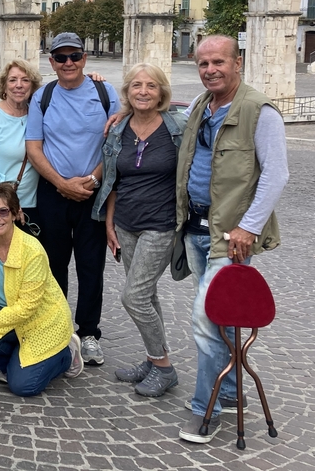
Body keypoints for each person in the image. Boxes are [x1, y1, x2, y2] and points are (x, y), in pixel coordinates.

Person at [176, 35, 288, 444]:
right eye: (203, 64)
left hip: (231, 236)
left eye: (219, 62)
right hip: (196, 229)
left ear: (237, 62)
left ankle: (204, 410)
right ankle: (227, 391)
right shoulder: (199, 106)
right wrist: (120, 113)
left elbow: (276, 173)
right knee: (220, 320)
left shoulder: (259, 111)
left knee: (205, 320)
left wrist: (250, 226)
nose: (210, 70)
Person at [25, 31, 119, 367]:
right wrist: (62, 183)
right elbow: (33, 147)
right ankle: (59, 328)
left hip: (93, 192)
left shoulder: (105, 92)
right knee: (54, 264)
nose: (68, 63)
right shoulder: (43, 96)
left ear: (84, 58)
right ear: (51, 62)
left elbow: (115, 144)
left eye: (74, 56)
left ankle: (90, 332)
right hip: (53, 192)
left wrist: (92, 179)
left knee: (91, 266)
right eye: (61, 57)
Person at [92, 63, 186, 397]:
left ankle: (164, 367)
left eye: (151, 86)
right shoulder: (119, 128)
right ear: (127, 91)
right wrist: (109, 222)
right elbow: (113, 179)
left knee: (133, 297)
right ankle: (152, 358)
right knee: (147, 294)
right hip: (126, 223)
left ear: (162, 93)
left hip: (161, 224)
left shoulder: (178, 126)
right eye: (136, 85)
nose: (143, 91)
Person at [0, 183, 84, 396]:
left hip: (43, 322)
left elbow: (27, 307)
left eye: (3, 211)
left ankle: (66, 355)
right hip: (10, 316)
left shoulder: (32, 250)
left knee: (23, 386)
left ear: (16, 213)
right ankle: (18, 361)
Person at [0, 59, 42, 230]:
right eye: (12, 80)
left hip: (31, 203)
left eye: (25, 80)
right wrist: (8, 200)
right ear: (4, 86)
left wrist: (92, 79)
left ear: (32, 86)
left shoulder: (37, 114)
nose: (19, 85)